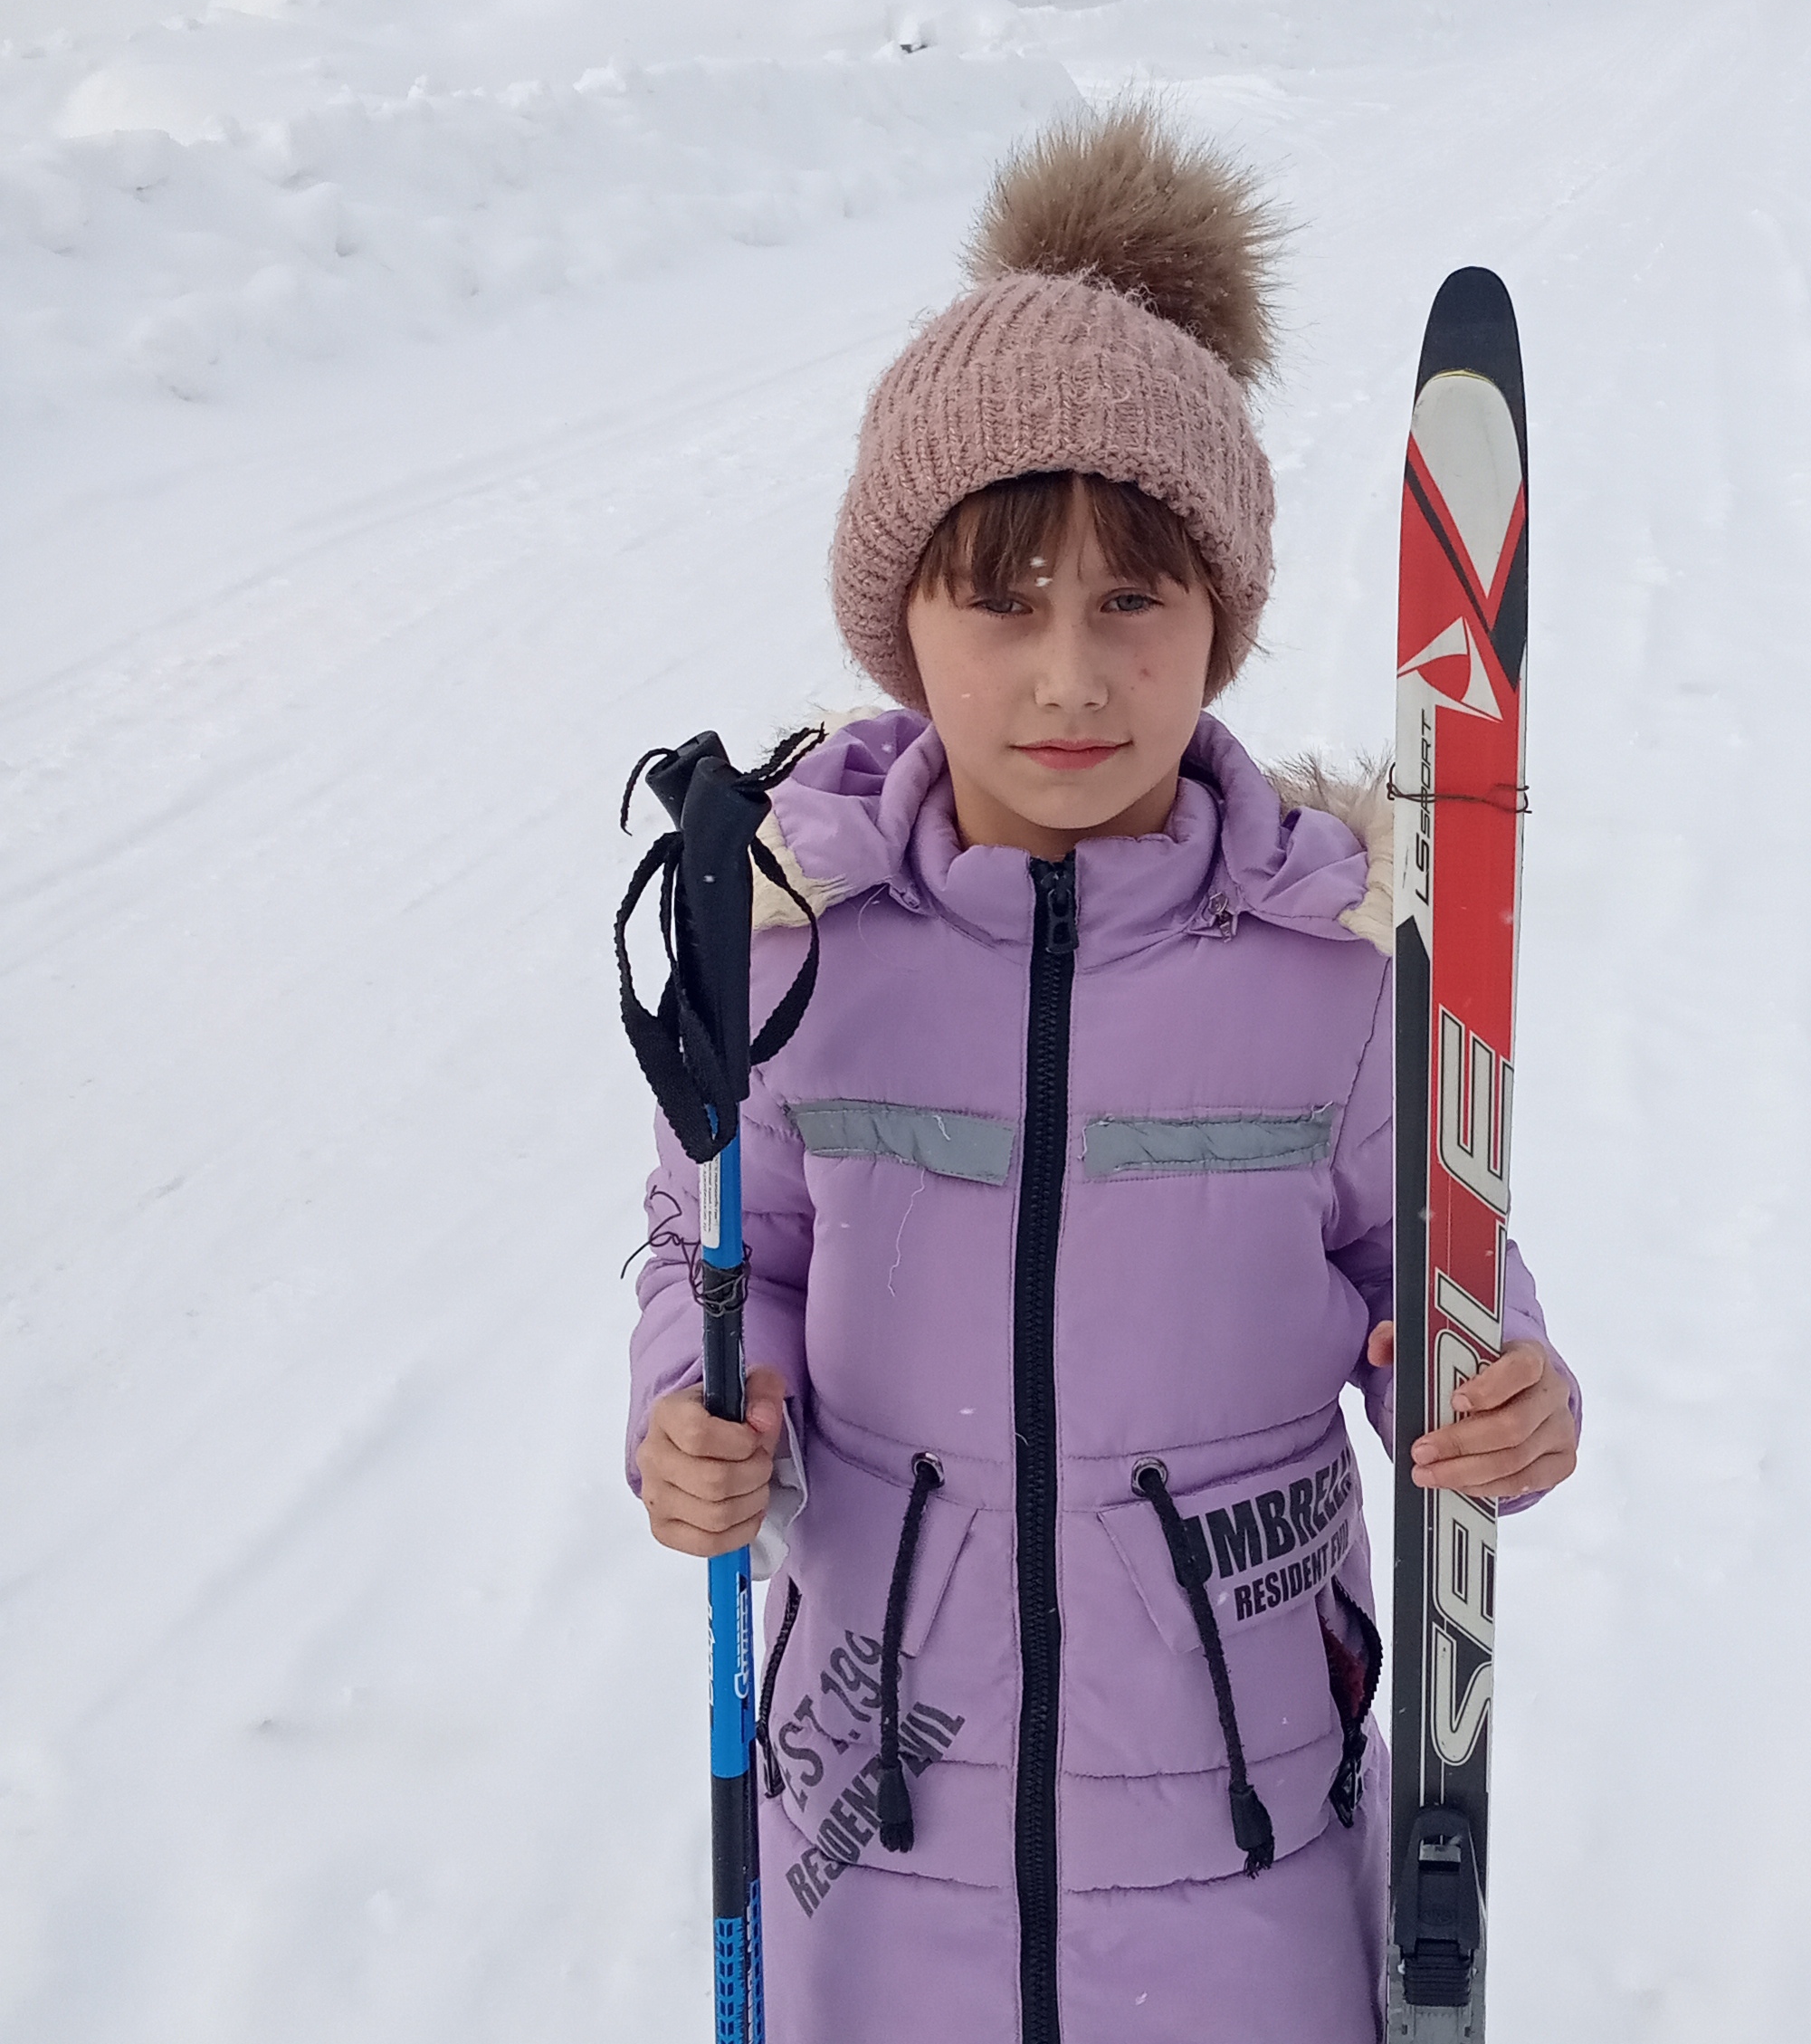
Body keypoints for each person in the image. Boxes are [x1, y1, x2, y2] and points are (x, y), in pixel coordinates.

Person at [625, 106, 1578, 2043]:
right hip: (872, 1823)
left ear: (1220, 623)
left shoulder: (1335, 975)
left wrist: (1497, 1391)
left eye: (1134, 599)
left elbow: (1429, 1261)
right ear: (899, 623)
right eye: (1005, 598)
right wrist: (692, 1401)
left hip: (1239, 1841)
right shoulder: (796, 950)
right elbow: (718, 1244)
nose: (1070, 675)